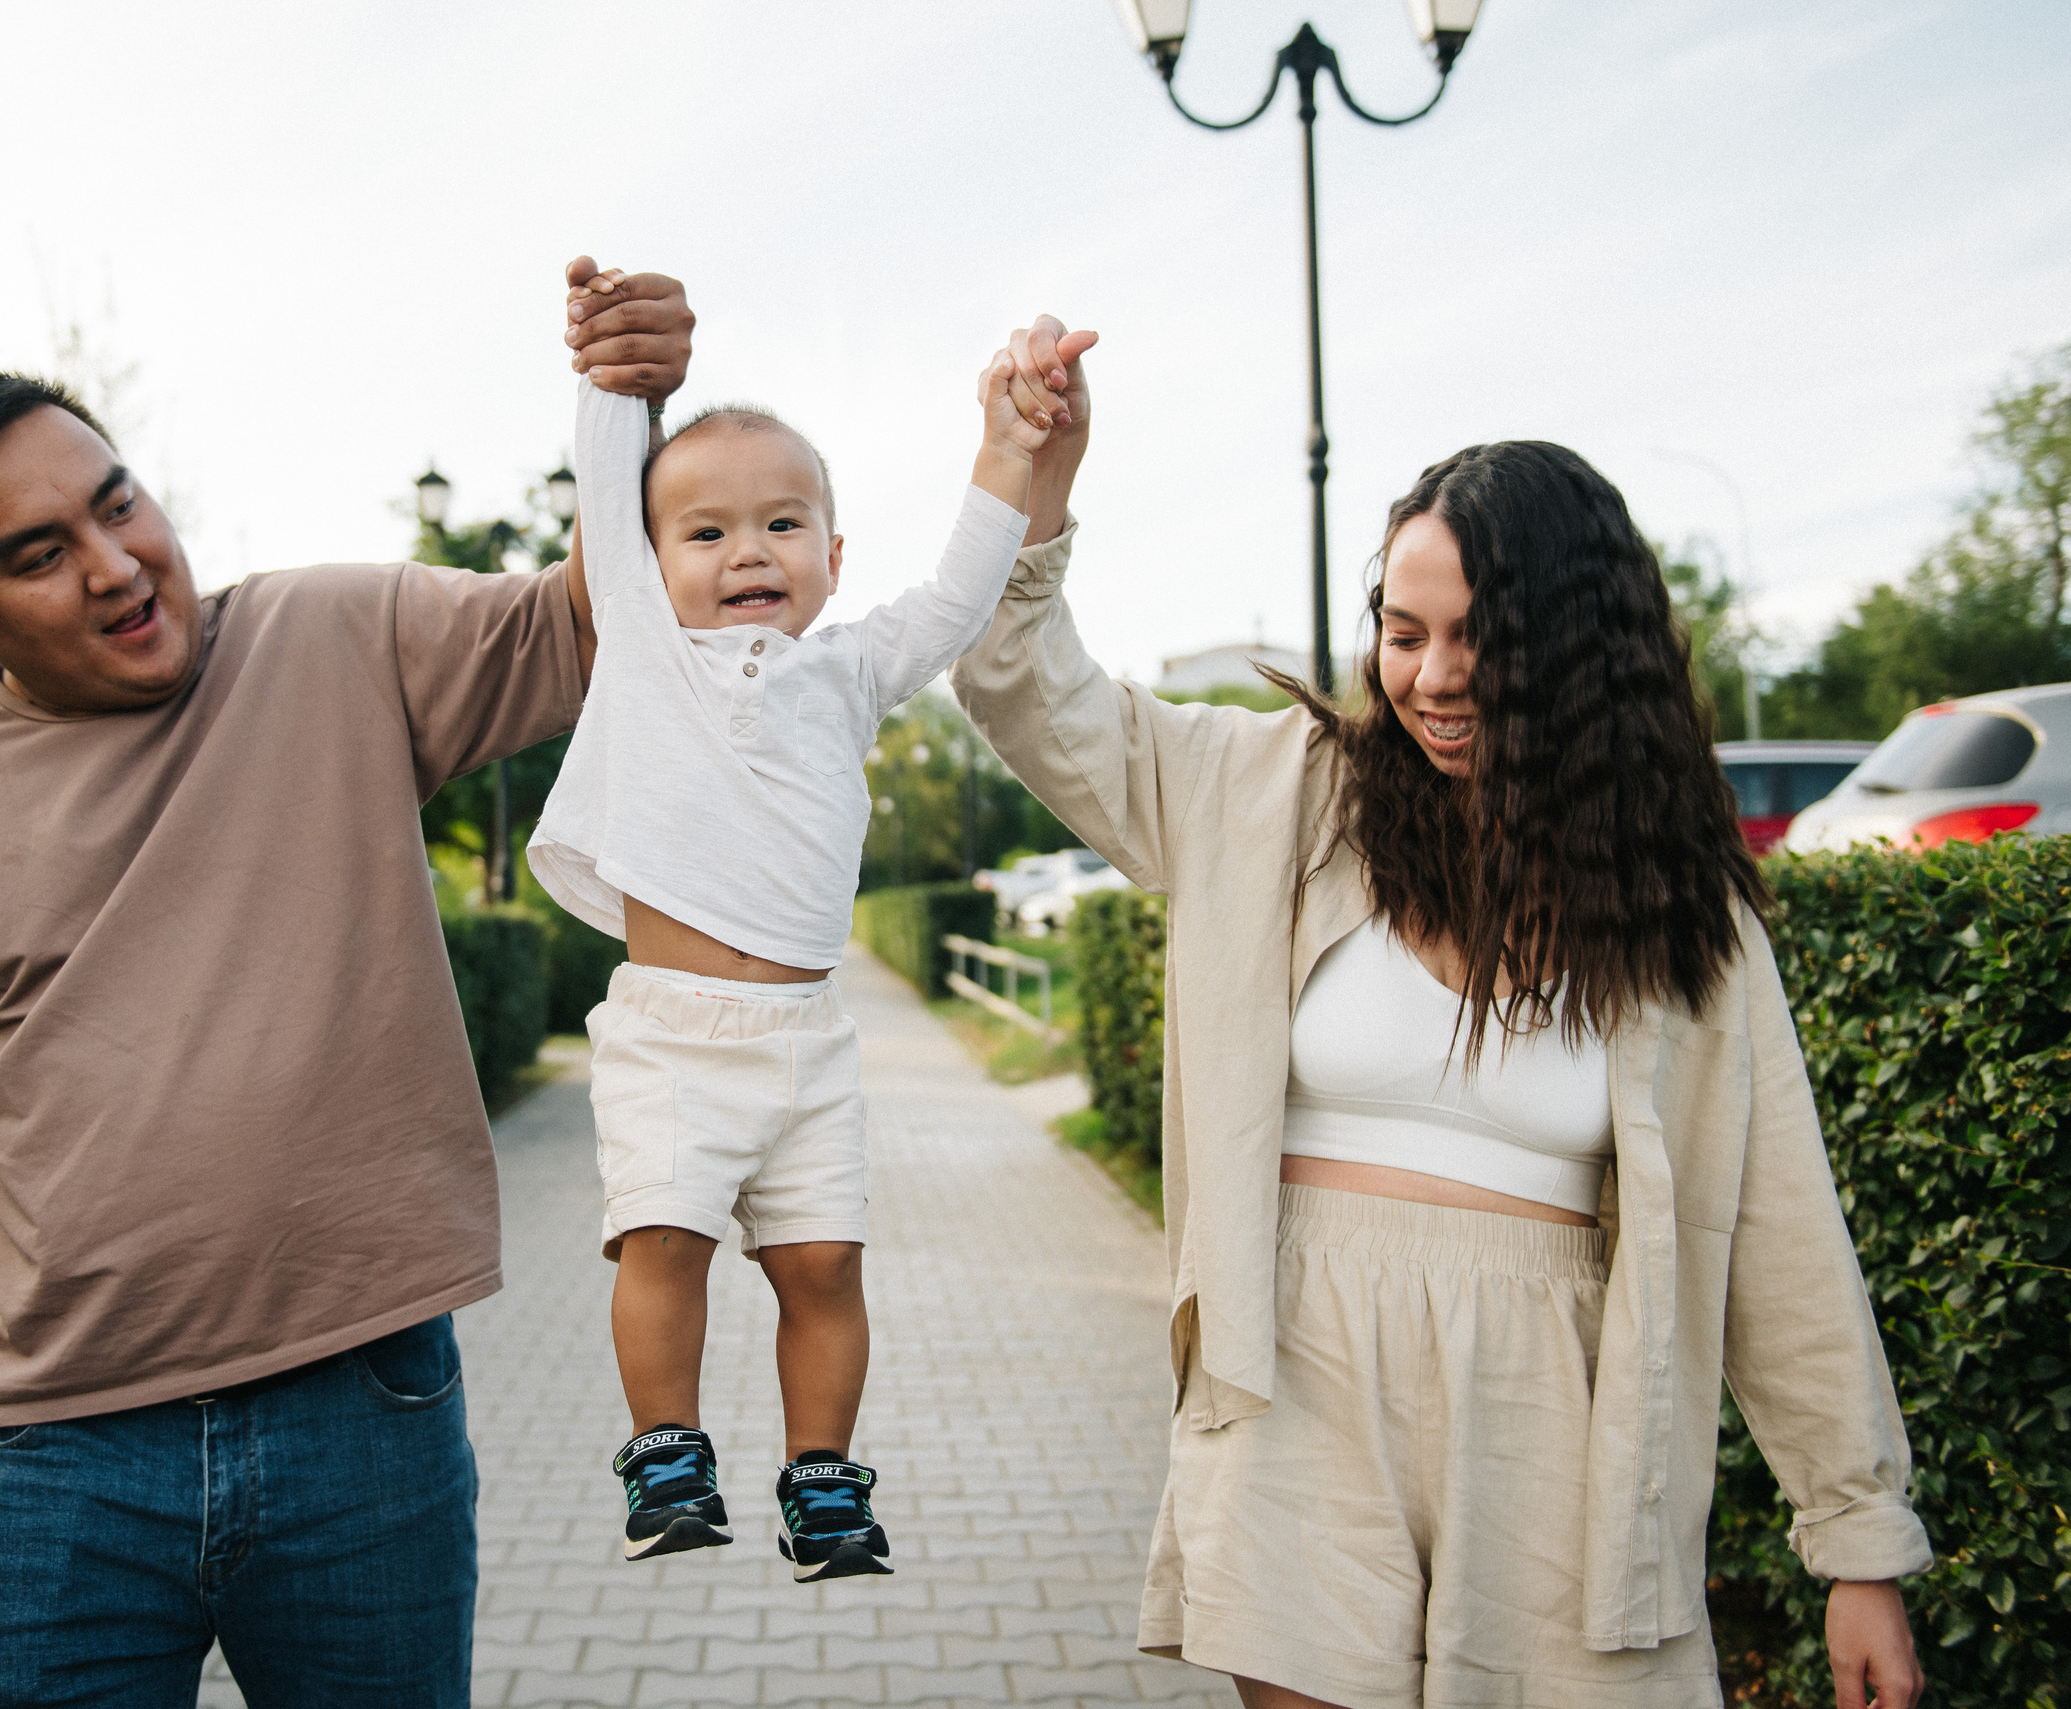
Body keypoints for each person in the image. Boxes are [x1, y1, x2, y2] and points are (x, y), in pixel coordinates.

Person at [949, 322, 1930, 1709]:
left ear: (1584, 651)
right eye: (1403, 635)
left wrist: (1859, 1545)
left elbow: (1780, 1234)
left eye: (1481, 638)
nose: (1431, 677)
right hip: (1294, 1381)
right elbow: (1021, 689)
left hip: (1557, 1415)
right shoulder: (1271, 794)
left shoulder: (1682, 912)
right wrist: (1028, 483)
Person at [0, 257, 691, 1709]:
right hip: (59, 1441)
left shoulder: (334, 639)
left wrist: (625, 407)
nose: (117, 564)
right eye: (39, 553)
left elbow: (600, 618)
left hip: (362, 1407)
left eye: (117, 503)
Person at [526, 269, 1095, 1582]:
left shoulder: (849, 673)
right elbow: (605, 492)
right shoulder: (646, 654)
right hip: (672, 1035)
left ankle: (822, 1481)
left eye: (783, 524)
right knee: (664, 1236)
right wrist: (610, 377)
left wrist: (1008, 444)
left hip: (807, 1039)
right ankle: (666, 1451)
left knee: (826, 1263)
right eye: (707, 532)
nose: (749, 552)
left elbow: (958, 593)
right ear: (648, 565)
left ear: (834, 560)